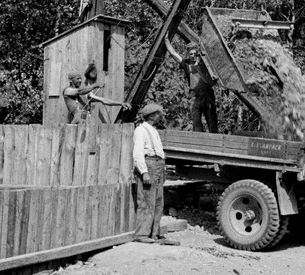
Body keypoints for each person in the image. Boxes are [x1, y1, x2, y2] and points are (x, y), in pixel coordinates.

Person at [132, 103, 179, 245]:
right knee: (146, 201)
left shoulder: (152, 130)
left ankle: (154, 233)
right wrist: (144, 172)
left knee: (158, 202)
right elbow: (137, 153)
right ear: (152, 115)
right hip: (149, 165)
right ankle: (141, 234)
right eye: (158, 114)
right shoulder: (141, 130)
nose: (161, 116)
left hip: (158, 166)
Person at [164, 38, 218, 133]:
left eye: (195, 54)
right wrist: (166, 40)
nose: (193, 56)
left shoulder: (205, 64)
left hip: (208, 96)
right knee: (196, 123)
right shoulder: (186, 64)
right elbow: (173, 54)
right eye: (191, 54)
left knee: (212, 122)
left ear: (198, 54)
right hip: (196, 97)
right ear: (188, 55)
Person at [63, 72, 129, 124]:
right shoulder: (67, 90)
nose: (80, 80)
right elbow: (80, 91)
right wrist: (96, 85)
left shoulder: (85, 92)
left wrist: (120, 103)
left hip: (87, 119)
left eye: (80, 78)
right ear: (70, 80)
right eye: (77, 78)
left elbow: (103, 100)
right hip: (77, 118)